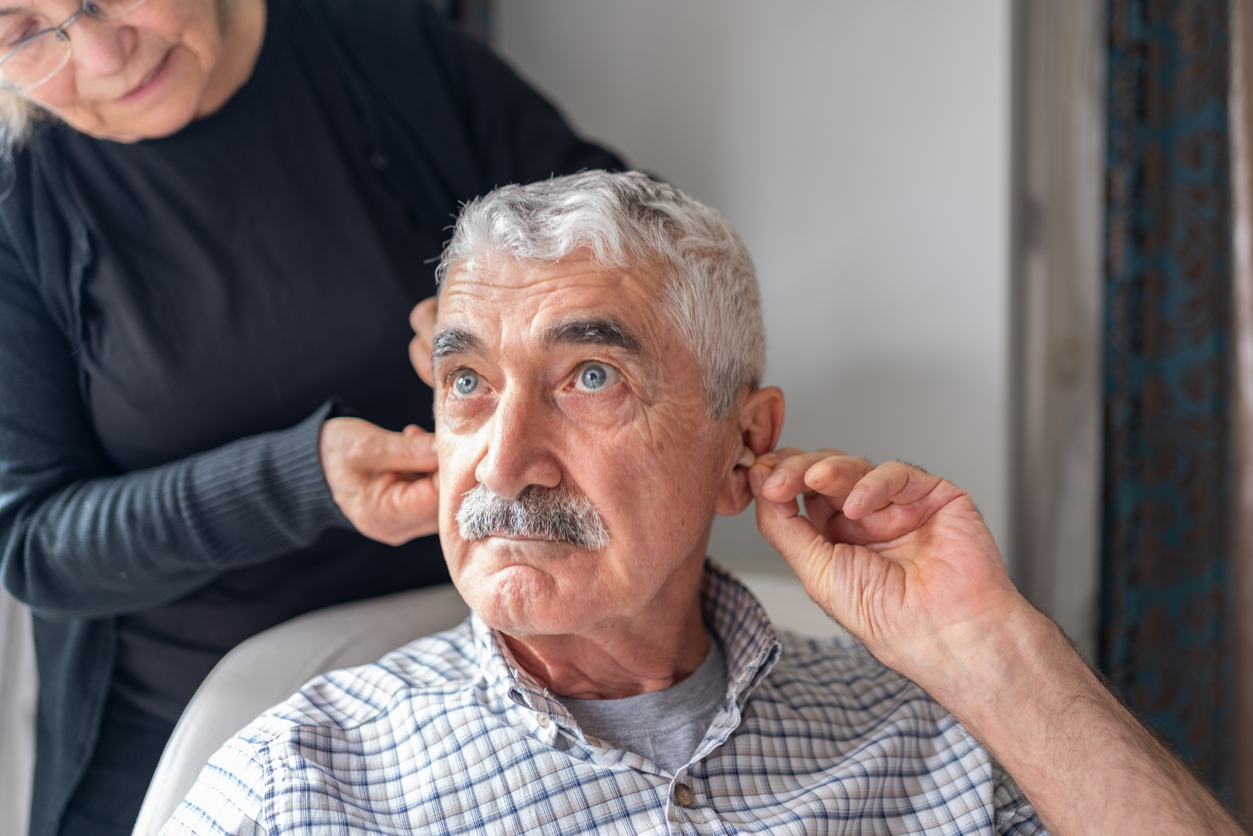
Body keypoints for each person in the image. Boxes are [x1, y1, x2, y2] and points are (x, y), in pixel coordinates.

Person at [164, 171, 1244, 836]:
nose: (504, 461)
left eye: (590, 376)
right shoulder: (294, 782)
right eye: (467, 385)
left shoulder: (925, 738)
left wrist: (990, 644)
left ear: (744, 445)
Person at [0, 0, 623, 833]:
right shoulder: (19, 197)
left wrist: (518, 305)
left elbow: (641, 250)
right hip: (178, 719)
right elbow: (37, 542)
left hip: (478, 663)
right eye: (19, 29)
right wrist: (297, 483)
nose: (106, 55)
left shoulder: (383, 51)